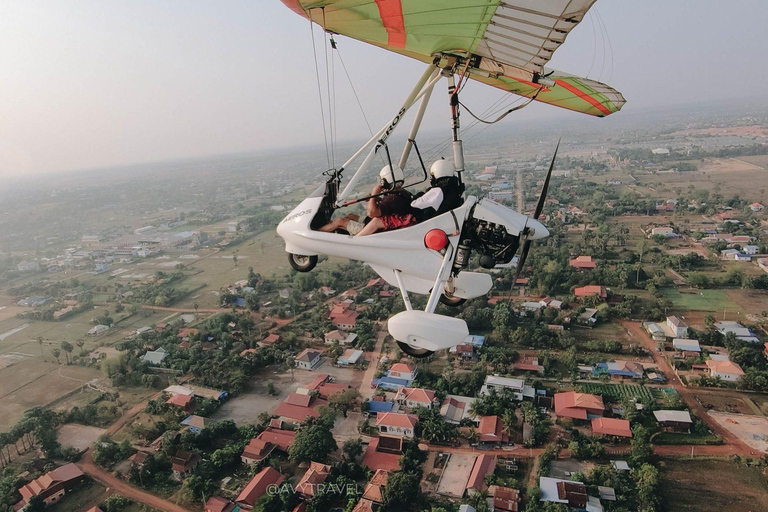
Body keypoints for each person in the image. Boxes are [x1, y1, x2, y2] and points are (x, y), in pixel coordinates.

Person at [319, 165, 415, 236]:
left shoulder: (393, 198)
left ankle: (316, 234)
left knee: (339, 221)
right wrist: (376, 198)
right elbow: (389, 207)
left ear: (385, 181)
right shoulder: (401, 193)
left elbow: (371, 213)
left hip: (374, 229)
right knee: (350, 216)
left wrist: (374, 194)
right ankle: (332, 231)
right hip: (379, 224)